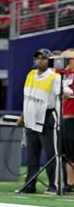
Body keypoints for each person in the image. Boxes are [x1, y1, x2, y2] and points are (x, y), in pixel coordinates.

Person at [17, 49, 61, 194]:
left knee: (50, 154)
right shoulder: (31, 74)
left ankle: (53, 185)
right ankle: (30, 184)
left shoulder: (54, 77)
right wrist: (23, 117)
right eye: (37, 58)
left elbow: (60, 93)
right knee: (32, 155)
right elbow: (27, 98)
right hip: (30, 118)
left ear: (49, 60)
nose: (39, 61)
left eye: (43, 58)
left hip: (46, 118)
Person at [61, 49, 74, 194]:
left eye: (68, 59)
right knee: (67, 153)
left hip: (72, 117)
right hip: (64, 117)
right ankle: (69, 183)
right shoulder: (62, 75)